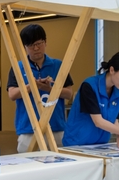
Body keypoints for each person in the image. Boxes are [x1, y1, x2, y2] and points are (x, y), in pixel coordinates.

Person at [6, 24, 74, 152]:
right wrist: (33, 86)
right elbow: (12, 94)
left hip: (56, 127)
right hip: (28, 128)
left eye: (39, 43)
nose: (36, 48)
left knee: (58, 166)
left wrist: (49, 89)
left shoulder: (58, 65)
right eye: (31, 45)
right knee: (29, 167)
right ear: (24, 47)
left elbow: (68, 94)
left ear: (45, 42)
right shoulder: (18, 67)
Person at [62, 51, 119, 148]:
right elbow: (98, 121)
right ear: (112, 70)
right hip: (77, 143)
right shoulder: (89, 86)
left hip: (100, 145)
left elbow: (114, 119)